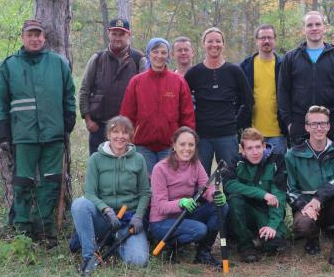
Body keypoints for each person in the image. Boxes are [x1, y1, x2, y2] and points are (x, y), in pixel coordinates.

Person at [0, 19, 76, 248]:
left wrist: (69, 117)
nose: (35, 39)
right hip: (23, 134)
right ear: (23, 37)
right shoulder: (8, 66)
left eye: (38, 35)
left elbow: (70, 93)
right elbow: (0, 100)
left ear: (44, 38)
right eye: (30, 35)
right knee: (22, 182)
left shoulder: (58, 63)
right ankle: (21, 230)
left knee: (51, 183)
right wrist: (3, 130)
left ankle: (46, 232)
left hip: (53, 134)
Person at [71, 116, 150, 271]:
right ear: (108, 135)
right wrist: (106, 210)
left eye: (125, 132)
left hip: (128, 219)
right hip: (103, 218)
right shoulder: (96, 159)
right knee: (79, 204)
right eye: (115, 132)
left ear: (130, 136)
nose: (120, 136)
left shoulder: (139, 159)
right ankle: (89, 255)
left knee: (138, 261)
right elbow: (90, 193)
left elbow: (145, 192)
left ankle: (116, 241)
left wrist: (139, 216)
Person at [285, 106, 334, 265]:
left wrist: (320, 197)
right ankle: (312, 237)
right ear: (306, 127)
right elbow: (290, 188)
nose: (319, 128)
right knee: (303, 225)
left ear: (329, 126)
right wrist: (306, 206)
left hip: (332, 207)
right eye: (314, 124)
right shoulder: (293, 154)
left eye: (323, 123)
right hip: (307, 208)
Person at [149, 127, 228, 267]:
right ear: (174, 145)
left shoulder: (195, 164)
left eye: (191, 145)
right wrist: (181, 202)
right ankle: (169, 246)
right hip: (162, 221)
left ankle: (203, 253)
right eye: (182, 144)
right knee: (199, 230)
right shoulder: (160, 168)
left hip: (185, 215)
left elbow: (206, 188)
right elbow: (160, 206)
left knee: (222, 206)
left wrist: (216, 195)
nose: (187, 148)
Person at [120, 38, 195, 176]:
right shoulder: (137, 82)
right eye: (155, 52)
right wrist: (126, 140)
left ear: (168, 55)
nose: (159, 56)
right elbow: (127, 114)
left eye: (163, 52)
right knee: (148, 186)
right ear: (149, 54)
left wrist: (186, 140)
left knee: (171, 183)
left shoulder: (178, 81)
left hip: (170, 146)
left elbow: (187, 114)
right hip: (143, 146)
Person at [184, 27, 253, 174]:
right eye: (210, 41)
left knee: (231, 177)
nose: (214, 44)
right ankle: (202, 199)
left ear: (223, 44)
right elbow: (182, 101)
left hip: (227, 134)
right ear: (204, 44)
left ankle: (231, 198)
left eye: (218, 41)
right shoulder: (194, 73)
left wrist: (236, 123)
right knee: (200, 180)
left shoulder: (234, 71)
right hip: (202, 136)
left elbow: (248, 101)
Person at [278, 11, 334, 145]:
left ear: (324, 28)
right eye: (309, 25)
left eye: (318, 24)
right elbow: (283, 92)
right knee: (301, 165)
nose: (314, 28)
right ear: (304, 29)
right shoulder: (291, 58)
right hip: (300, 125)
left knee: (330, 166)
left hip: (329, 126)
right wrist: (289, 123)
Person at [78, 18, 145, 155]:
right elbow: (84, 89)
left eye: (121, 34)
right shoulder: (97, 58)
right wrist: (88, 120)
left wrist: (137, 126)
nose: (117, 38)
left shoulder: (139, 59)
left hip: (127, 128)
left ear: (128, 35)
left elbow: (145, 95)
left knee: (125, 169)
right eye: (114, 34)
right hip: (99, 126)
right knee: (99, 168)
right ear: (108, 34)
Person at [224, 128, 287, 263]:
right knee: (234, 199)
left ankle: (261, 234)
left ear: (264, 146)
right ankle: (245, 246)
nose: (255, 152)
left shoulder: (277, 160)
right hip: (244, 210)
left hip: (266, 211)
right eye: (250, 148)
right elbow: (229, 184)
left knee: (274, 245)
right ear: (242, 150)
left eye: (258, 147)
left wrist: (272, 225)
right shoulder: (236, 161)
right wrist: (262, 194)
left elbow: (279, 195)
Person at [239, 24, 287, 156]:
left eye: (270, 38)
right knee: (252, 175)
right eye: (262, 38)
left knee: (278, 174)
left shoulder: (283, 65)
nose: (266, 41)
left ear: (275, 40)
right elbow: (238, 98)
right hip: (252, 133)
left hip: (278, 133)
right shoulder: (245, 66)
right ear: (256, 41)